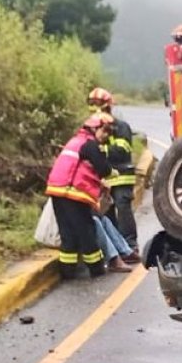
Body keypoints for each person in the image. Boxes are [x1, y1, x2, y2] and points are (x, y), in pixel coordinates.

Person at [45, 115, 113, 278]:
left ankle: (67, 272)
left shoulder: (75, 142)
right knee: (86, 231)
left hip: (57, 190)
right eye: (106, 131)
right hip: (73, 193)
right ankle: (97, 269)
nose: (107, 136)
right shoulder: (90, 145)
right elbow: (104, 169)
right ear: (95, 128)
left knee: (67, 233)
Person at [88, 87, 140, 257]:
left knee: (123, 207)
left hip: (122, 176)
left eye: (98, 104)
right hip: (104, 178)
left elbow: (123, 150)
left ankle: (131, 245)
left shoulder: (120, 127)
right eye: (93, 104)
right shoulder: (91, 127)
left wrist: (101, 149)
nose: (96, 108)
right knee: (107, 212)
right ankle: (118, 247)